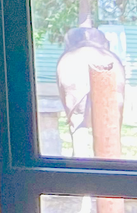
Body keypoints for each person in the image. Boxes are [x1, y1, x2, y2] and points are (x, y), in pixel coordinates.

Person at [54, 21, 126, 155]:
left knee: (78, 121)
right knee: (111, 125)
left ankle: (80, 167)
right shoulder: (112, 58)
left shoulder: (68, 59)